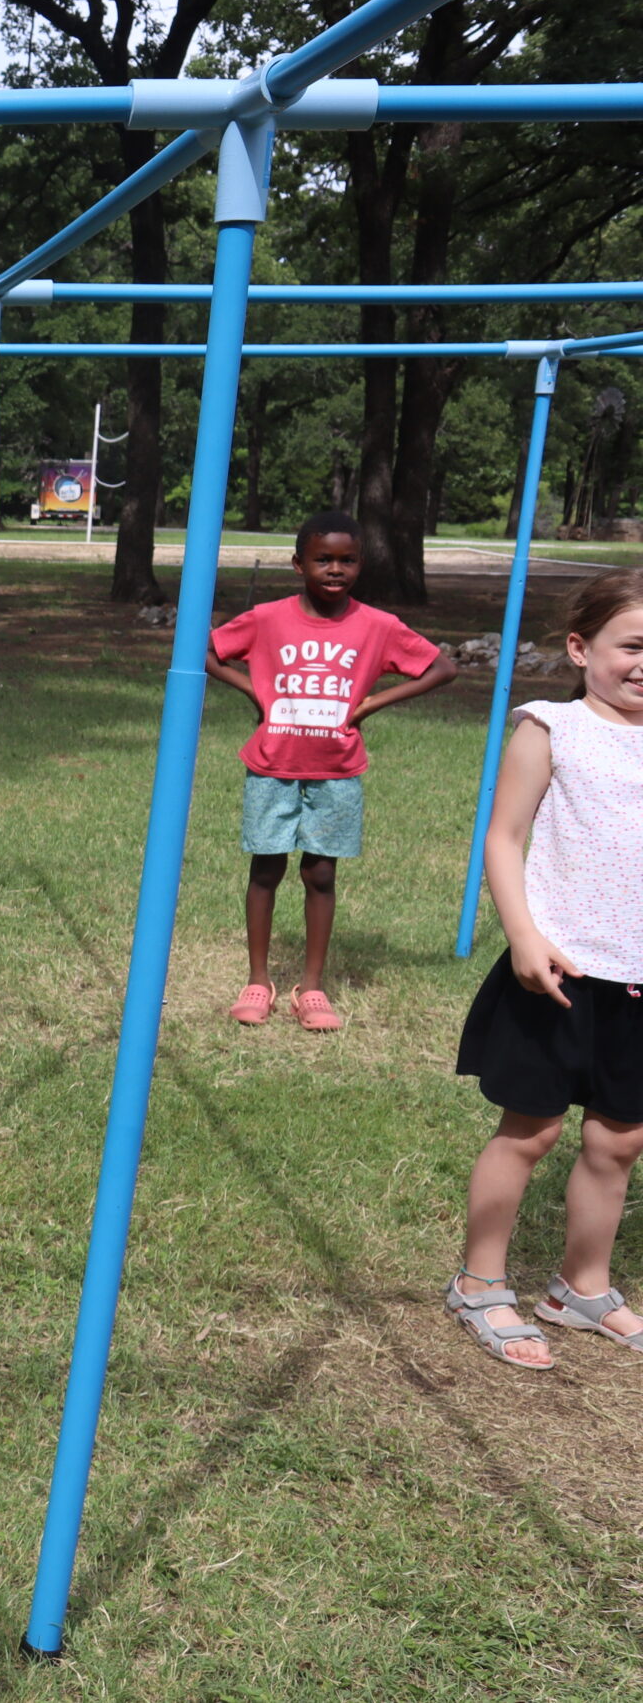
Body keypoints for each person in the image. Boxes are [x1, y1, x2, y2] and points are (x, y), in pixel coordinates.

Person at [445, 571, 643, 1370]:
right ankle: (480, 1281)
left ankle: (580, 1286)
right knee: (531, 1129)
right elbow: (504, 838)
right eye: (632, 646)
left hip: (636, 977)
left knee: (619, 1139)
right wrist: (523, 936)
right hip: (556, 970)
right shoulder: (550, 727)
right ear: (580, 648)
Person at [206, 510, 458, 1030]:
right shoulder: (267, 618)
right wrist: (254, 689)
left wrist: (370, 705)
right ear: (299, 564)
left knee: (320, 873)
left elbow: (442, 668)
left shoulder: (377, 626)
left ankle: (312, 987)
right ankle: (258, 980)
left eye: (347, 560)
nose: (335, 569)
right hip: (272, 764)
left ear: (361, 566)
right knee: (266, 868)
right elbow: (207, 650)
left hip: (337, 770)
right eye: (323, 559)